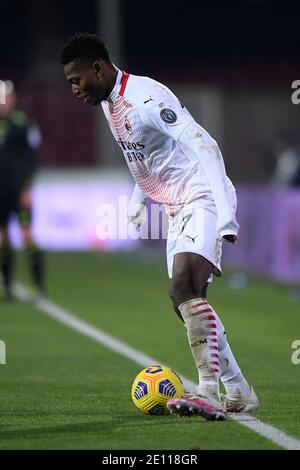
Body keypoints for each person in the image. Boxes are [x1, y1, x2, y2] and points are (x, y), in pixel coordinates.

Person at [60, 32, 259, 420]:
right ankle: (237, 389)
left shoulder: (147, 98)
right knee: (184, 301)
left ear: (98, 68)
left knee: (183, 287)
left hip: (201, 196)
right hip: (174, 206)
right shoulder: (110, 102)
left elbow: (206, 146)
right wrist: (137, 203)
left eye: (76, 80)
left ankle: (208, 392)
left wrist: (225, 214)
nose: (74, 90)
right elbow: (144, 156)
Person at [0, 80, 44, 301]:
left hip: (19, 191)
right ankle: (7, 287)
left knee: (28, 235)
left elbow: (32, 160)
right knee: (3, 239)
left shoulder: (24, 124)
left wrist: (27, 188)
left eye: (6, 97)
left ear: (13, 98)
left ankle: (39, 286)